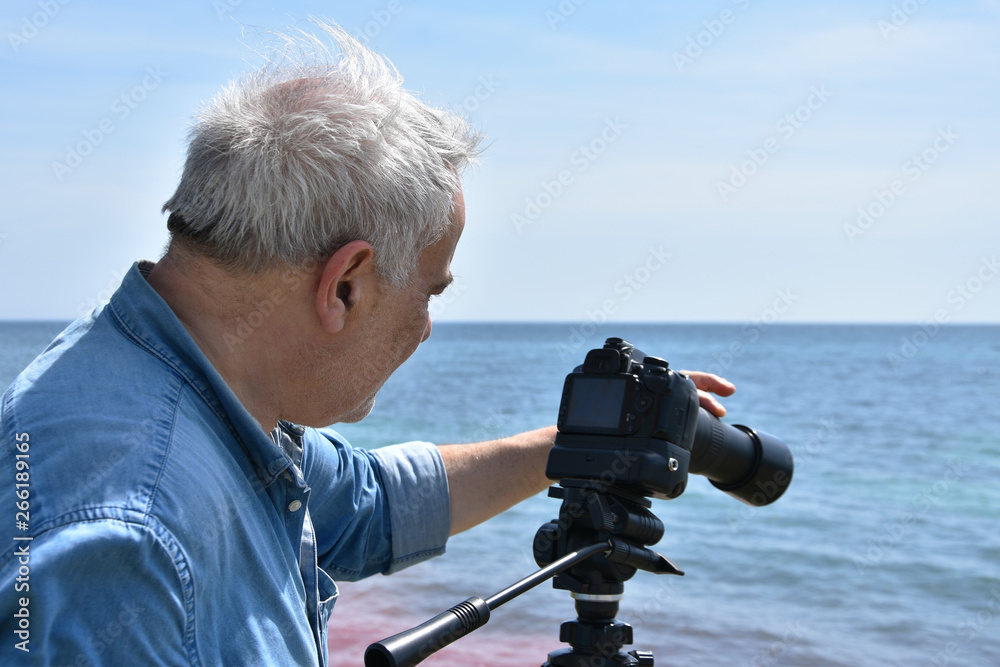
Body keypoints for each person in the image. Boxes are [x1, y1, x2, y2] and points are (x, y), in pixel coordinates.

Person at [0, 21, 733, 666]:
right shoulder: (124, 549)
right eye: (430, 291)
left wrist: (573, 448)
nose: (428, 324)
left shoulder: (181, 372)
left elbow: (363, 503)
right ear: (345, 283)